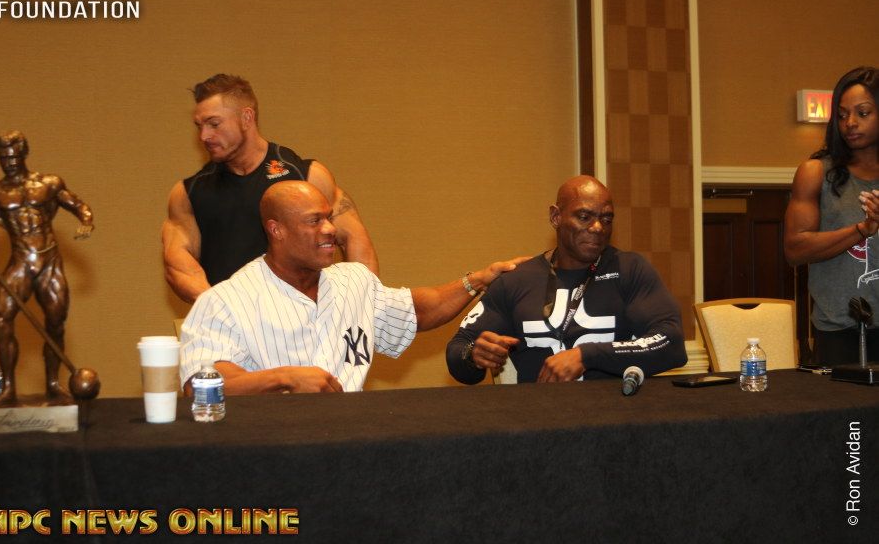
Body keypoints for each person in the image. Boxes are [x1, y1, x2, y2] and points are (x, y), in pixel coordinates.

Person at [179, 181, 525, 393]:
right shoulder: (224, 301)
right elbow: (200, 384)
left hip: (351, 445)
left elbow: (420, 309)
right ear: (276, 230)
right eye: (314, 221)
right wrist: (284, 378)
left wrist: (478, 280)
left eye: (329, 217)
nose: (330, 229)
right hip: (271, 454)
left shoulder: (353, 281)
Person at [446, 175, 686, 384]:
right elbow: (458, 350)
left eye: (606, 219)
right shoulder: (517, 280)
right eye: (584, 216)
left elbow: (671, 342)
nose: (597, 227)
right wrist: (474, 355)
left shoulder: (629, 270)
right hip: (539, 416)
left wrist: (587, 355)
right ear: (555, 217)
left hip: (615, 414)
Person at [162, 73, 378, 304]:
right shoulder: (189, 194)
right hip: (232, 319)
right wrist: (222, 307)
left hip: (303, 318)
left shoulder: (306, 176)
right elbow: (178, 264)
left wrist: (358, 305)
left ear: (246, 118)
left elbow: (353, 238)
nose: (204, 136)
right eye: (199, 126)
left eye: (214, 124)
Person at [0, 131, 94, 405]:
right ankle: (8, 389)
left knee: (55, 322)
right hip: (20, 261)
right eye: (3, 158)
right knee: (2, 317)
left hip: (49, 260)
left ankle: (53, 385)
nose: (9, 163)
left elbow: (79, 205)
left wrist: (86, 222)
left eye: (13, 157)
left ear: (24, 154)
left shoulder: (49, 184)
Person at [784, 66, 879, 366]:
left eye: (862, 113)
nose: (850, 123)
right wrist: (863, 229)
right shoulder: (816, 172)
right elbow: (795, 250)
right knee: (845, 401)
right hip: (840, 331)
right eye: (842, 115)